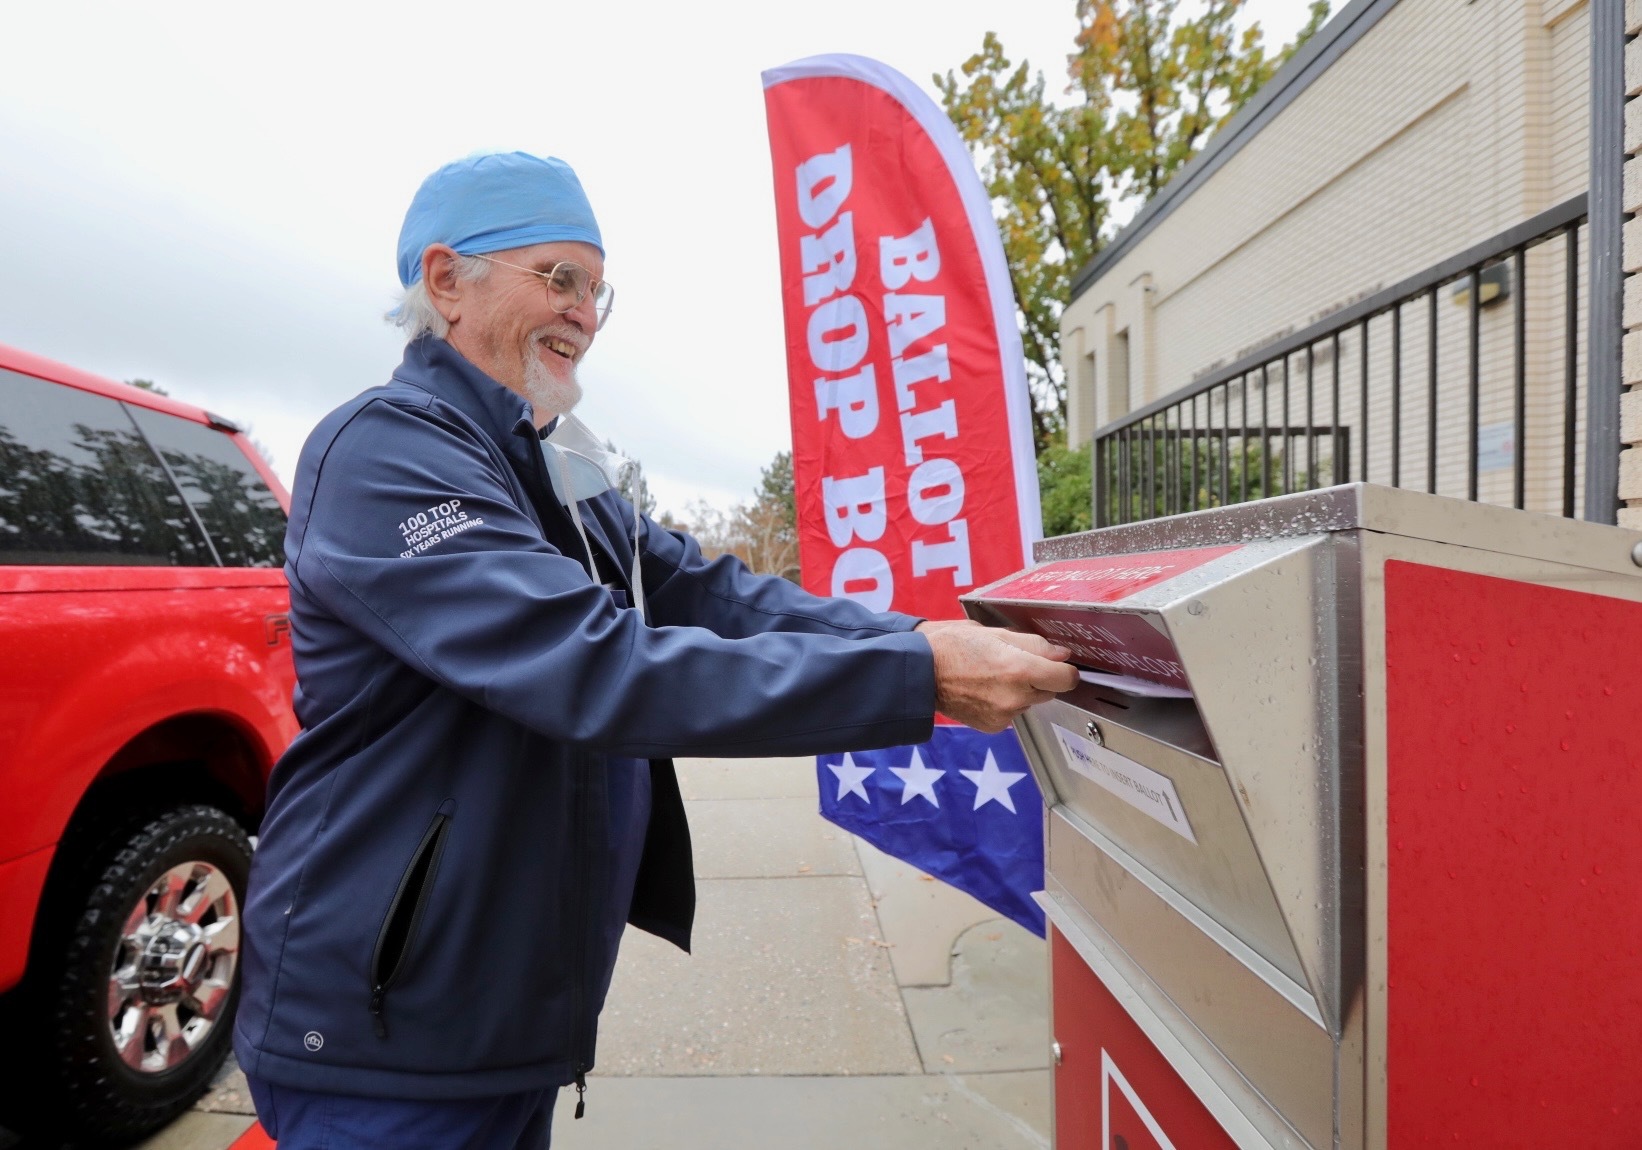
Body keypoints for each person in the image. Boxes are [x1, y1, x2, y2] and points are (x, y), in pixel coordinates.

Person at [232, 151, 1078, 1149]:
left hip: (497, 1013)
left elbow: (711, 595)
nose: (584, 312)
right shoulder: (386, 450)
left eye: (596, 288)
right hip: (382, 1029)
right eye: (557, 277)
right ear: (446, 280)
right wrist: (916, 676)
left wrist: (915, 638)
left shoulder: (553, 465)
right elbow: (594, 664)